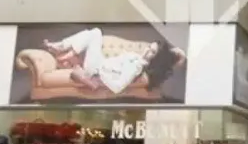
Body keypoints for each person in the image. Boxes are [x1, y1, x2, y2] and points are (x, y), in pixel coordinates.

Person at [43, 28, 183, 94]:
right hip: (100, 63)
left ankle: (63, 49)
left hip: (97, 69)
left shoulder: (137, 67)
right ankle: (65, 50)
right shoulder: (138, 59)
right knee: (95, 32)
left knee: (96, 32)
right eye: (149, 47)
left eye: (152, 52)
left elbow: (118, 87)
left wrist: (100, 73)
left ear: (156, 58)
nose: (147, 51)